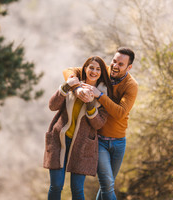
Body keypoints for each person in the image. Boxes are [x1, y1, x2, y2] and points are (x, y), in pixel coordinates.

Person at [63, 47, 138, 200]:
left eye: (121, 64)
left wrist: (100, 95)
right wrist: (76, 88)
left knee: (107, 186)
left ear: (129, 67)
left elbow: (120, 113)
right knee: (107, 184)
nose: (115, 66)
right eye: (114, 61)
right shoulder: (102, 71)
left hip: (119, 142)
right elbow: (68, 71)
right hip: (100, 140)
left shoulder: (131, 85)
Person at [43, 56, 113, 200]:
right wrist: (66, 86)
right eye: (91, 67)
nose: (94, 71)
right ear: (85, 68)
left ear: (102, 73)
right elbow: (52, 106)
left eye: (98, 69)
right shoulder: (73, 84)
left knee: (77, 189)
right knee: (56, 185)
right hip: (60, 141)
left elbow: (98, 124)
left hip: (83, 146)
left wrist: (89, 103)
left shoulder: (103, 95)